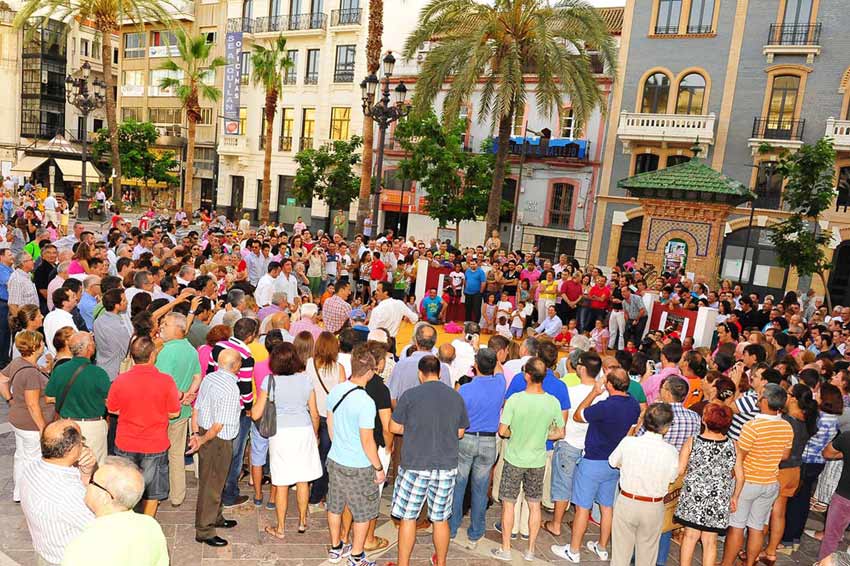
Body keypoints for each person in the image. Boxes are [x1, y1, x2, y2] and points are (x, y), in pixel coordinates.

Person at [551, 368, 641, 563]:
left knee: (583, 507)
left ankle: (573, 551)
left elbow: (578, 415)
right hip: (614, 463)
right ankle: (602, 547)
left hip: (593, 460)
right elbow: (632, 431)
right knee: (607, 506)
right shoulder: (633, 405)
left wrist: (594, 392)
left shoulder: (604, 406)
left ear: (609, 384)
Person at [389, 353, 469, 566]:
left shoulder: (410, 395)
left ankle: (403, 563)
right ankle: (440, 562)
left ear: (420, 374)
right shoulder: (455, 396)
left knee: (408, 518)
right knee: (440, 519)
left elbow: (393, 427)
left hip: (415, 463)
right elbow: (460, 432)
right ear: (440, 373)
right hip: (446, 464)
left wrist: (414, 428)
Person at [492, 357, 565, 562]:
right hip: (537, 460)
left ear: (527, 375)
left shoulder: (515, 400)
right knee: (534, 505)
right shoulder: (552, 402)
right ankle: (531, 549)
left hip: (515, 458)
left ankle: (506, 548)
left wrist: (514, 434)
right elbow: (560, 432)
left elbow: (503, 430)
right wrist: (544, 435)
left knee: (509, 504)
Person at [252, 342, 322, 538]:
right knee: (303, 479)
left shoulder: (269, 381)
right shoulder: (306, 381)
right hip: (304, 431)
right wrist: (315, 434)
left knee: (281, 481)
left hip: (281, 434)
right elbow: (315, 414)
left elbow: (257, 414)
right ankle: (302, 521)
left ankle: (281, 528)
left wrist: (252, 410)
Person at [106, 336, 181, 517]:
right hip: (154, 444)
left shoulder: (121, 380)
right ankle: (146, 525)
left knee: (126, 490)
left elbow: (112, 408)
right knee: (151, 493)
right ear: (153, 356)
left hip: (125, 442)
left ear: (132, 357)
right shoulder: (165, 381)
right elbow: (174, 413)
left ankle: (128, 521)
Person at [720, 384, 793, 566]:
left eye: (760, 396)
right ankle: (750, 563)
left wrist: (729, 479)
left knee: (736, 526)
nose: (758, 399)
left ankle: (727, 564)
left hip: (748, 482)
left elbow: (740, 457)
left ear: (766, 402)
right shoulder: (786, 426)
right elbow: (784, 455)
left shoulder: (752, 426)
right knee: (757, 527)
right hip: (770, 483)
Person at [324, 344, 384, 566]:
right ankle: (357, 556)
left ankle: (335, 548)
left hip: (336, 458)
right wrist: (378, 468)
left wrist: (339, 444)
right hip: (358, 465)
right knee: (363, 511)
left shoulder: (337, 390)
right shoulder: (366, 402)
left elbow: (330, 425)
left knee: (335, 505)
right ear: (369, 372)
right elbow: (367, 441)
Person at [62, 456, 169, 565]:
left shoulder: (81, 548)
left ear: (104, 497)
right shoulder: (151, 525)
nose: (86, 483)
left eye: (92, 480)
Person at [608, 403, 680, 566]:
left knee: (620, 555)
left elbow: (613, 461)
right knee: (647, 556)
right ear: (666, 427)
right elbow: (671, 477)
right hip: (653, 506)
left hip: (627, 500)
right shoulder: (670, 451)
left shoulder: (629, 442)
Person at [450, 348, 506, 547]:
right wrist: (495, 359)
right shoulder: (500, 384)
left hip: (467, 438)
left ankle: (453, 526)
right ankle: (475, 531)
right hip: (489, 441)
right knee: (481, 489)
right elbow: (499, 368)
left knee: (459, 485)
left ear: (475, 365)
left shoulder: (465, 389)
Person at [20, 420, 96, 566]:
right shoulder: (69, 492)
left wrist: (85, 474)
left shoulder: (32, 468)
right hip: (66, 560)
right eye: (82, 441)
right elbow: (100, 527)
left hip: (45, 552)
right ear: (72, 449)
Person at [189, 348, 243, 547]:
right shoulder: (231, 388)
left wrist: (196, 434)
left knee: (214, 480)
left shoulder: (209, 378)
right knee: (211, 485)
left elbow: (198, 407)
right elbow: (219, 424)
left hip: (206, 432)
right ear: (236, 366)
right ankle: (204, 530)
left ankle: (215, 517)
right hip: (217, 439)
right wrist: (202, 440)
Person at [545, 351, 603, 537]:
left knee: (562, 485)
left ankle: (556, 523)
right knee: (583, 487)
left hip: (569, 442)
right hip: (591, 447)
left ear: (582, 369)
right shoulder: (604, 395)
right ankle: (578, 520)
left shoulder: (571, 391)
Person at [675, 403, 740, 566]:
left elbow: (680, 469)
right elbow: (741, 475)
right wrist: (735, 496)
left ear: (704, 420)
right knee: (710, 541)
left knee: (689, 537)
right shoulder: (733, 445)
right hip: (718, 498)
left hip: (693, 496)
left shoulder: (693, 441)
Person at [154, 311, 202, 508]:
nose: (161, 327)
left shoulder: (166, 351)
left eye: (165, 324)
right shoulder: (191, 349)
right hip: (182, 412)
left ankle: (156, 493)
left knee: (158, 455)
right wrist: (188, 395)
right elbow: (198, 376)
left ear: (178, 328)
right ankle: (178, 495)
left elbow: (160, 383)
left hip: (163, 413)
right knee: (176, 455)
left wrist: (182, 396)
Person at [45, 332, 111, 465]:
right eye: (93, 343)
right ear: (89, 349)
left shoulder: (60, 370)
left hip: (67, 426)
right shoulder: (99, 373)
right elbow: (109, 402)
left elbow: (49, 397)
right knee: (94, 466)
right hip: (93, 427)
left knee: (69, 466)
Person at [4, 331, 54, 503]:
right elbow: (33, 405)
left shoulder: (18, 362)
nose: (43, 346)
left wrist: (9, 398)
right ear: (36, 347)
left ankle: (18, 492)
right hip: (30, 424)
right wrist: (42, 428)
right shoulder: (30, 373)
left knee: (21, 456)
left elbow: (2, 378)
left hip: (17, 419)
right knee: (33, 459)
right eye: (41, 343)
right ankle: (31, 497)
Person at [93, 288, 133, 381]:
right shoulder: (117, 325)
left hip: (101, 366)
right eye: (123, 300)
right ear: (116, 305)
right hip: (115, 371)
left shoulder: (98, 321)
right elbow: (127, 348)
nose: (126, 302)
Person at [463, 258, 486, 323]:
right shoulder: (467, 271)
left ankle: (476, 323)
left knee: (476, 309)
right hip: (468, 292)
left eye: (474, 264)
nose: (472, 265)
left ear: (477, 264)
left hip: (477, 293)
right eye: (471, 264)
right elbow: (465, 280)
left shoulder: (481, 272)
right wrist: (464, 289)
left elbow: (483, 282)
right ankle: (467, 321)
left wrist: (480, 292)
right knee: (468, 308)